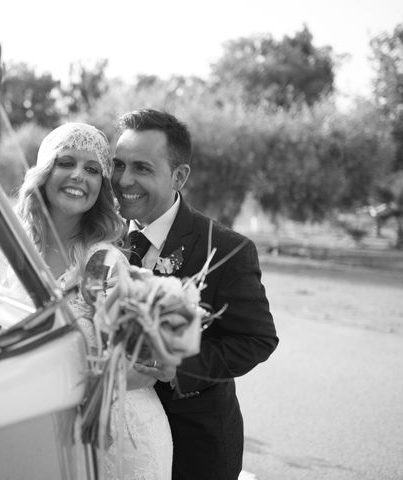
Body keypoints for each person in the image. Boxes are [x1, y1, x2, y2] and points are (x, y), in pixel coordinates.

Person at [111, 109, 279, 480]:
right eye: (118, 165)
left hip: (194, 447)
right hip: (115, 439)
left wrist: (181, 367)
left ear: (179, 176)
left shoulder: (226, 249)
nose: (124, 180)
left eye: (142, 168)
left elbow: (258, 339)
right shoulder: (103, 239)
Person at [16, 122, 175, 479]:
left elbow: (144, 370)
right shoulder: (14, 248)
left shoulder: (101, 261)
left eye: (92, 169)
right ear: (44, 171)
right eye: (66, 162)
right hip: (42, 426)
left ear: (101, 187)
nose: (78, 176)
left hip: (116, 437)